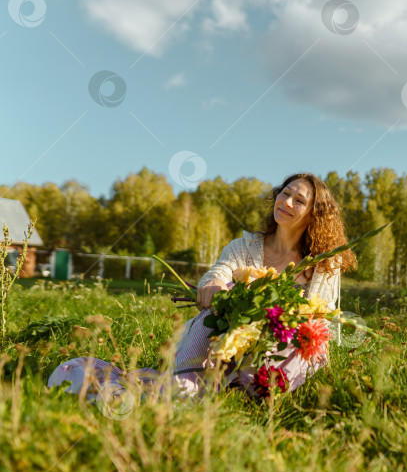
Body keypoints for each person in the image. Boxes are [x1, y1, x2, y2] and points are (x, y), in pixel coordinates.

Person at [48, 172, 358, 405]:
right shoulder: (245, 246)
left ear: (314, 215)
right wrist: (213, 285)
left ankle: (240, 394)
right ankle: (185, 386)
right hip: (224, 340)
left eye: (299, 200)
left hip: (279, 349)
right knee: (209, 317)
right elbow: (220, 271)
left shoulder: (323, 265)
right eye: (284, 193)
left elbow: (322, 324)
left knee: (303, 348)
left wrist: (274, 324)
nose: (286, 202)